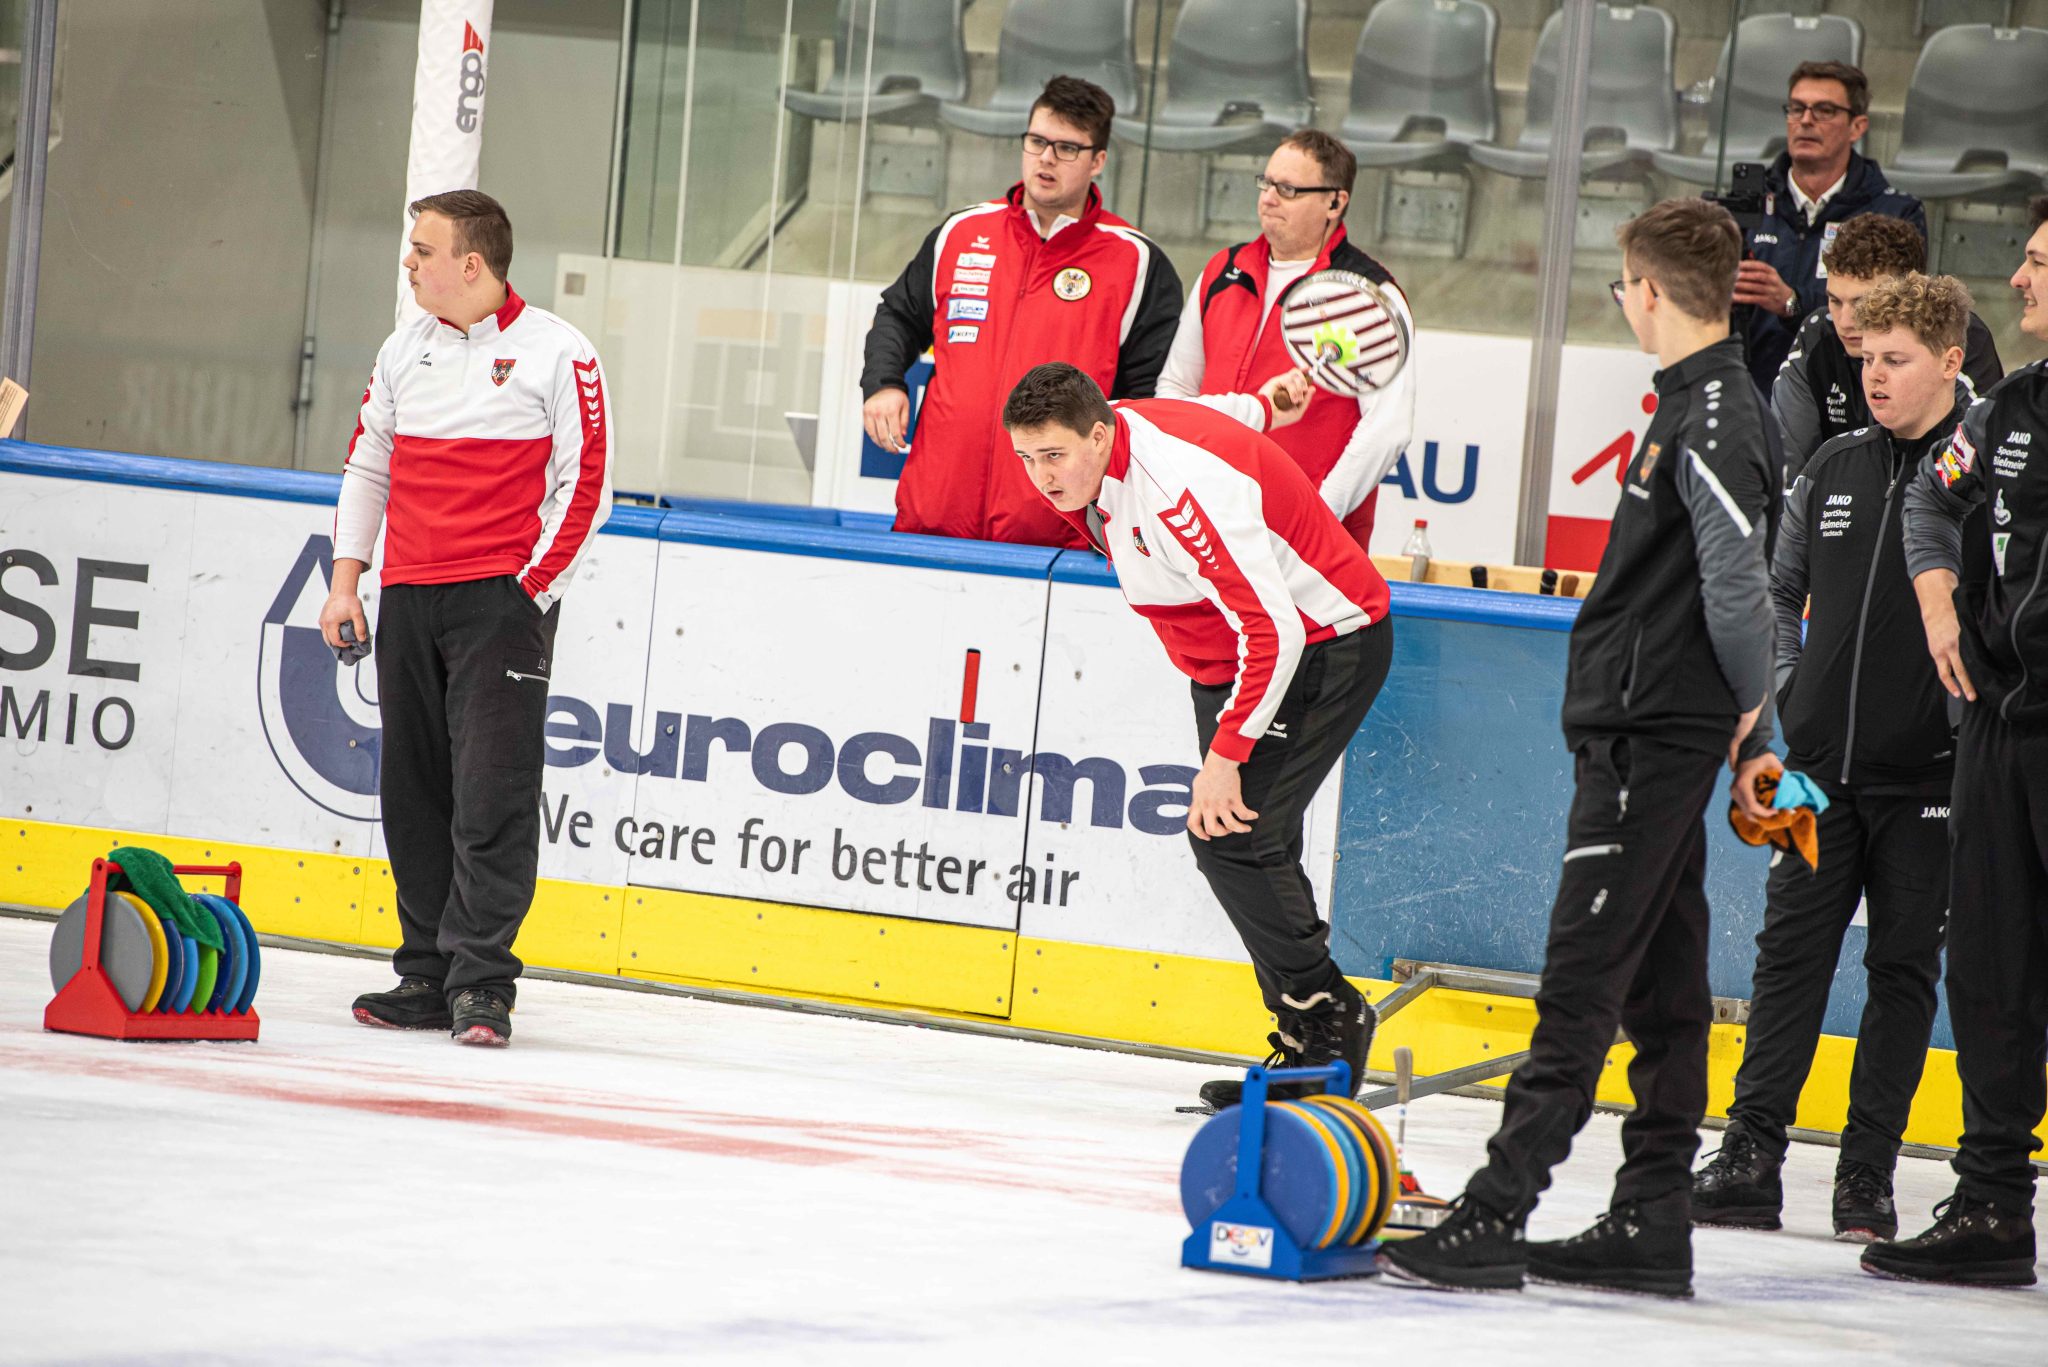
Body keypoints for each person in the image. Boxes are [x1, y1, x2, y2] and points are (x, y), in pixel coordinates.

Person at [1379, 198, 1779, 1299]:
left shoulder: (1713, 419)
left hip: (1654, 730)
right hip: (1649, 723)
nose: (1623, 305)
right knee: (1661, 982)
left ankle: (1495, 1208)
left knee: (1580, 976)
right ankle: (1650, 1215)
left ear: (1646, 291)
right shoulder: (1696, 408)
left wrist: (1753, 714)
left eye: (1620, 289)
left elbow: (1741, 588)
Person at [1000, 361, 1390, 1109]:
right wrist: (1266, 403)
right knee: (1253, 842)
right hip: (1228, 659)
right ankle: (1307, 1037)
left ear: (1099, 433)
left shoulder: (1176, 495)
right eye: (1026, 457)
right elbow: (1220, 413)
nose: (1041, 478)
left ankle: (1330, 1019)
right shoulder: (1111, 432)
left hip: (1320, 642)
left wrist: (1227, 755)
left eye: (1054, 455)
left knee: (1231, 837)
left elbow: (1273, 629)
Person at [1694, 273, 1976, 1245]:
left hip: (1927, 780)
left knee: (1901, 968)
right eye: (1862, 359)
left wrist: (1957, 715)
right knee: (1786, 957)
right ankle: (1747, 1155)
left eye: (1892, 360)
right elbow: (1778, 591)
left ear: (1947, 361)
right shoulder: (1829, 466)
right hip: (1811, 769)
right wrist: (1786, 693)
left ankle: (1865, 1175)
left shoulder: (1981, 479)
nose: (1871, 378)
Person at [322, 190, 614, 1047]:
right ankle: (425, 970)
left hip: (500, 603)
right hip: (407, 596)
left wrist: (527, 591)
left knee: (493, 793)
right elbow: (368, 461)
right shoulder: (402, 346)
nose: (409, 262)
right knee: (413, 792)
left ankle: (482, 981)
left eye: (422, 248)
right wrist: (347, 582)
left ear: (472, 264)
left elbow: (586, 482)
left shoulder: (560, 352)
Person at [1879, 195, 2048, 1288]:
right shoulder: (2003, 411)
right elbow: (1930, 507)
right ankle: (1990, 1204)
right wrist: (1938, 603)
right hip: (1997, 727)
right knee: (1988, 969)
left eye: (2036, 262)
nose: (2019, 280)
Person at [861, 76, 1181, 547]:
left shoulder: (1136, 262)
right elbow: (898, 315)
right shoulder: (962, 233)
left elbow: (1146, 406)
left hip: (1057, 536)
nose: (1046, 158)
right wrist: (884, 383)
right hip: (934, 514)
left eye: (1067, 148)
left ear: (1098, 161)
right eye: (1037, 141)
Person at [1155, 129, 1415, 550]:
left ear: (1335, 202)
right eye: (1267, 182)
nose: (1269, 198)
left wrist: (1315, 518)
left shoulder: (1369, 294)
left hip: (1309, 547)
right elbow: (1175, 388)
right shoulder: (1223, 269)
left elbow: (1388, 428)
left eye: (1289, 189)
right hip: (1206, 524)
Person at [1736, 60, 1927, 392]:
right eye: (1796, 109)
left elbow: (1901, 317)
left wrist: (1794, 303)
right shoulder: (1747, 204)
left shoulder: (1895, 213)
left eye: (1824, 110)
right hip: (1753, 395)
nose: (1806, 121)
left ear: (1857, 126)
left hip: (1851, 399)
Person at [1775, 214, 2002, 480]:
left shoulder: (1953, 333)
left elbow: (1978, 461)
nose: (1845, 322)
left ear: (1906, 292)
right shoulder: (1817, 334)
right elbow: (1787, 467)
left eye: (1863, 303)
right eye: (1835, 301)